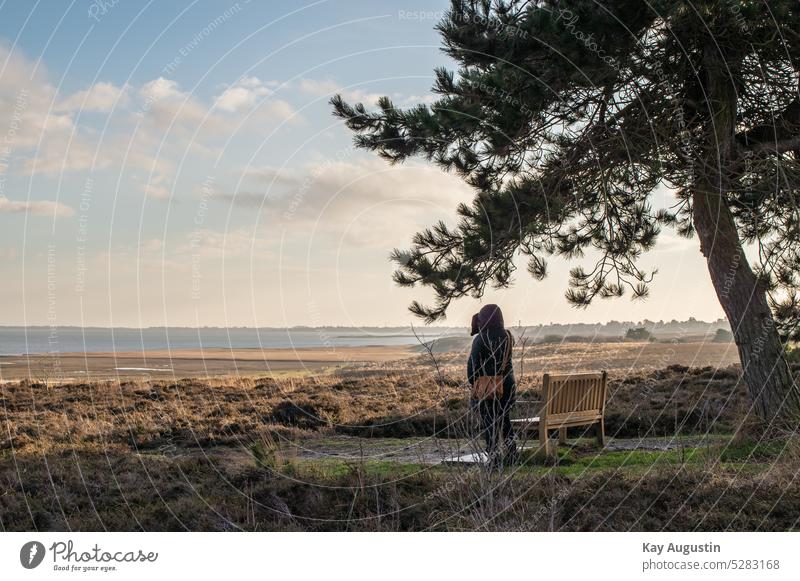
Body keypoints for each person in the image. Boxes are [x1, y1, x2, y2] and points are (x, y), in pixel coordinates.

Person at [467, 304, 517, 468]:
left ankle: (494, 459)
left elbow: (472, 367)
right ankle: (512, 454)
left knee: (489, 422)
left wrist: (476, 384)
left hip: (490, 387)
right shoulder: (509, 336)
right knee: (505, 420)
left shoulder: (481, 338)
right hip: (508, 384)